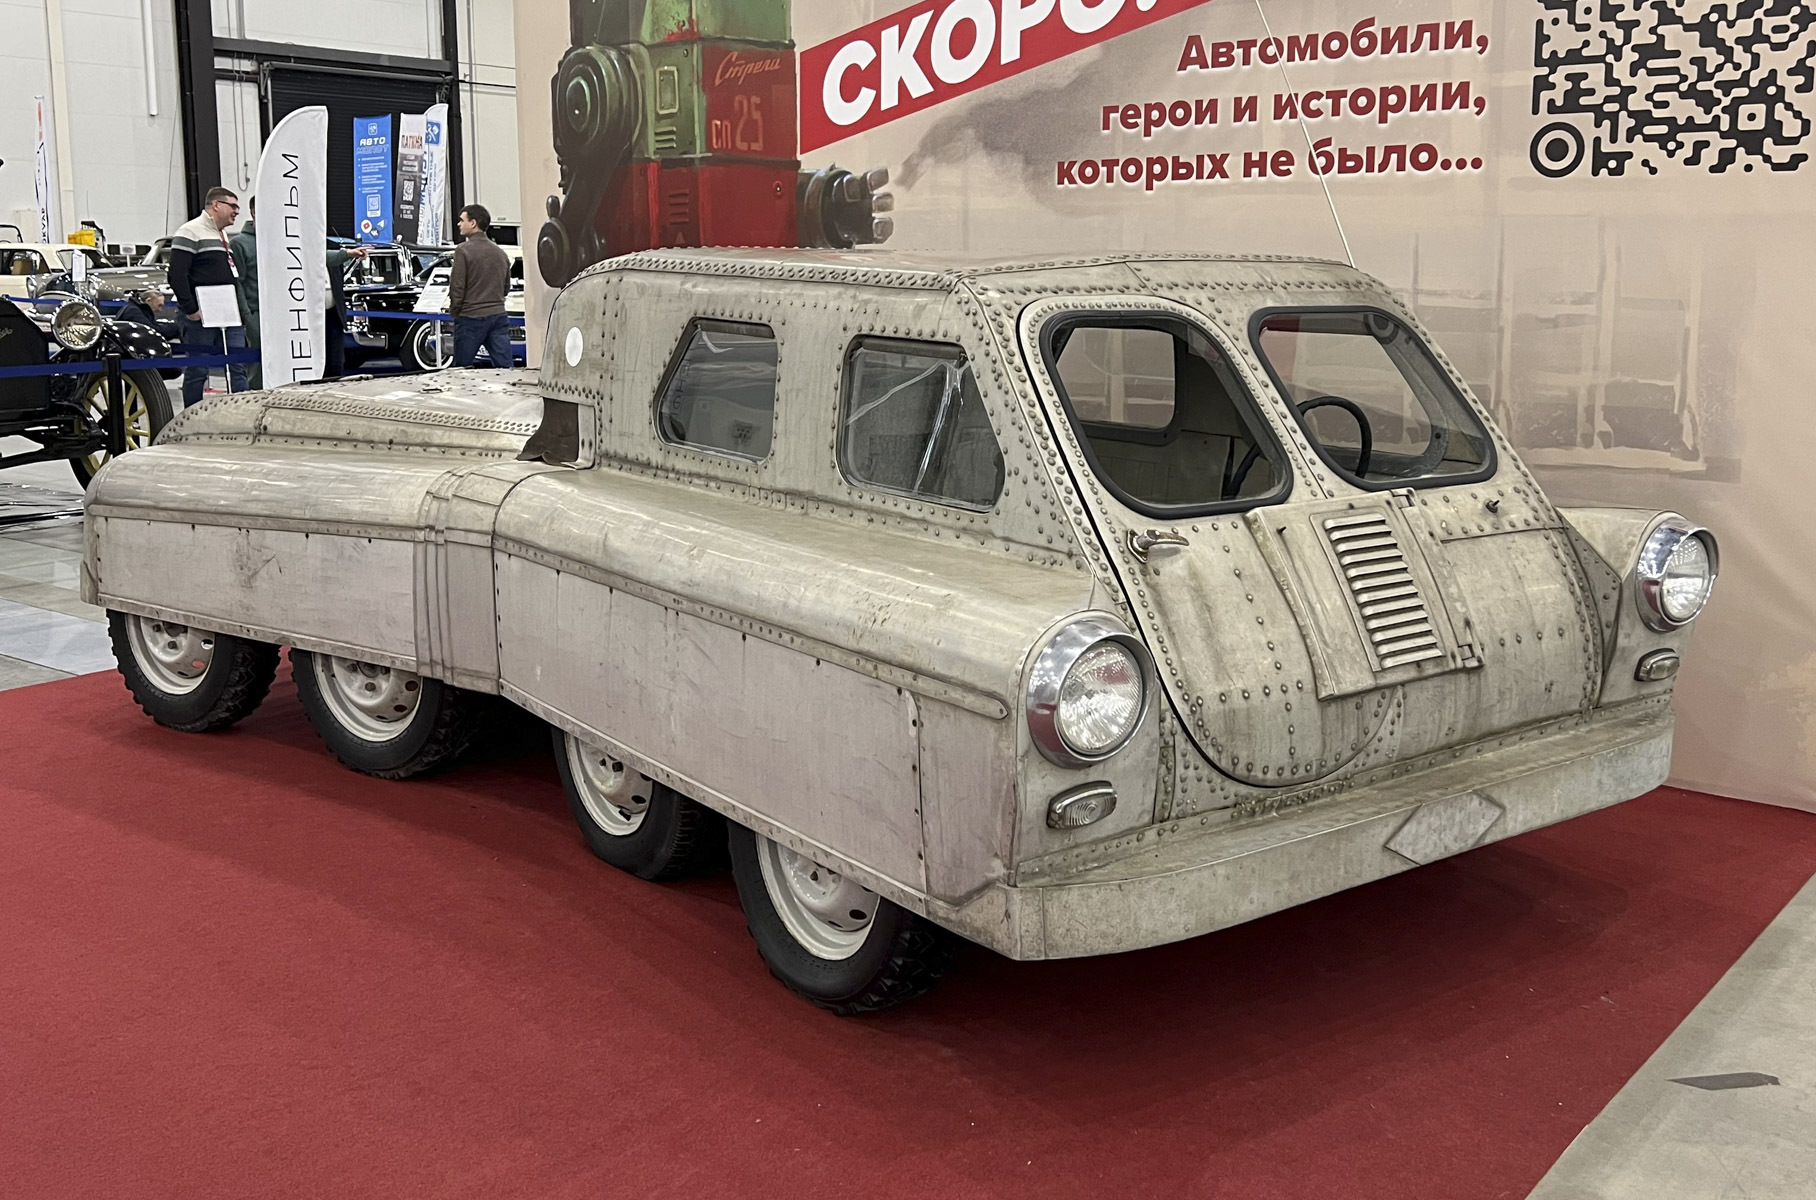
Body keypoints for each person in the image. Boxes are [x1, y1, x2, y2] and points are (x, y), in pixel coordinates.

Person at [167, 186, 249, 405]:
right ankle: (191, 416)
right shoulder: (190, 231)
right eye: (233, 206)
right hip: (200, 315)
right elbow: (176, 275)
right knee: (198, 370)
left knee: (237, 365)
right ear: (216, 205)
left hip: (228, 313)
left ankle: (242, 413)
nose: (236, 211)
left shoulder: (222, 235)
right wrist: (191, 309)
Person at [449, 204, 512, 368]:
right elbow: (506, 287)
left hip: (470, 317)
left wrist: (455, 311)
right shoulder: (501, 253)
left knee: (461, 368)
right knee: (505, 367)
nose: (459, 224)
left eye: (462, 220)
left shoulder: (463, 251)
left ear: (473, 223)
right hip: (498, 315)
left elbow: (457, 287)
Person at [229, 197, 261, 389]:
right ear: (254, 212)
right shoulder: (239, 244)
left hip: (281, 314)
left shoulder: (279, 240)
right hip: (255, 312)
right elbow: (238, 282)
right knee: (257, 365)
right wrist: (247, 316)